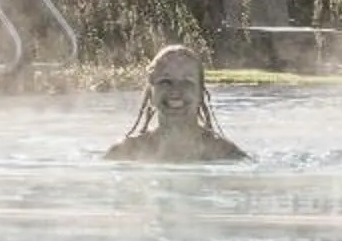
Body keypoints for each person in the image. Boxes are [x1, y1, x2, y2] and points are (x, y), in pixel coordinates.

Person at [104, 44, 248, 163]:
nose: (175, 91)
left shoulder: (225, 154)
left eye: (187, 82)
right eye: (165, 81)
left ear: (200, 94)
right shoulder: (126, 152)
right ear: (150, 93)